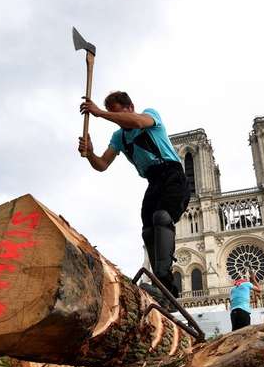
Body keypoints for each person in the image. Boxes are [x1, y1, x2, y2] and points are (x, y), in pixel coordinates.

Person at [78, 91, 190, 303]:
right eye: (112, 114)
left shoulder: (148, 115)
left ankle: (164, 286)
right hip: (153, 181)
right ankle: (164, 288)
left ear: (129, 108)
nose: (115, 119)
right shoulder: (118, 137)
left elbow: (137, 122)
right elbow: (102, 165)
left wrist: (99, 113)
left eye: (117, 113)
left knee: (162, 218)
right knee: (148, 231)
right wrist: (90, 153)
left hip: (173, 175)